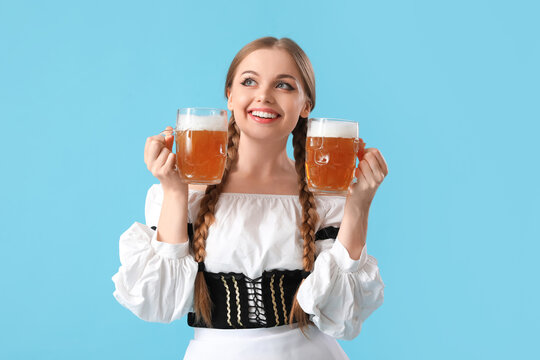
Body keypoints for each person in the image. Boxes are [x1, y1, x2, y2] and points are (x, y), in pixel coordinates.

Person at [112, 36, 389, 360]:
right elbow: (158, 302)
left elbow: (340, 317)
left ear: (305, 105)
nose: (263, 96)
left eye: (283, 85)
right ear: (229, 96)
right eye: (249, 81)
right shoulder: (188, 192)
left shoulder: (325, 197)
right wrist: (175, 190)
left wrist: (358, 205)